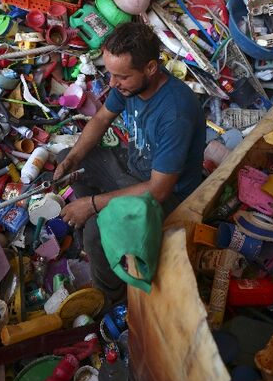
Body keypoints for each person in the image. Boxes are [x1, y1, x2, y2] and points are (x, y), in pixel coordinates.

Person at [54, 21, 206, 305]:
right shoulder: (128, 86)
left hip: (166, 195)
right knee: (68, 160)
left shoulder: (174, 112)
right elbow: (100, 119)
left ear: (150, 68)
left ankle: (109, 297)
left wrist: (92, 204)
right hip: (134, 170)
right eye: (111, 75)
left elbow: (159, 190)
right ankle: (108, 240)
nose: (112, 84)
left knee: (96, 229)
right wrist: (73, 159)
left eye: (121, 77)